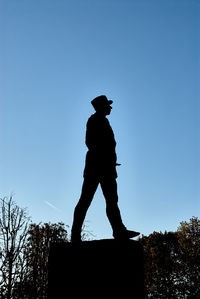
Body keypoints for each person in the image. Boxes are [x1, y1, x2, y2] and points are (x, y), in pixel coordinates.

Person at [71, 95, 140, 242]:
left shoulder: (104, 121)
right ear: (101, 107)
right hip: (96, 168)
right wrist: (104, 159)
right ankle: (75, 234)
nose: (110, 107)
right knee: (85, 200)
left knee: (111, 200)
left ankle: (119, 231)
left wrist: (110, 162)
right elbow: (90, 143)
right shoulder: (94, 120)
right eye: (108, 105)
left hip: (106, 168)